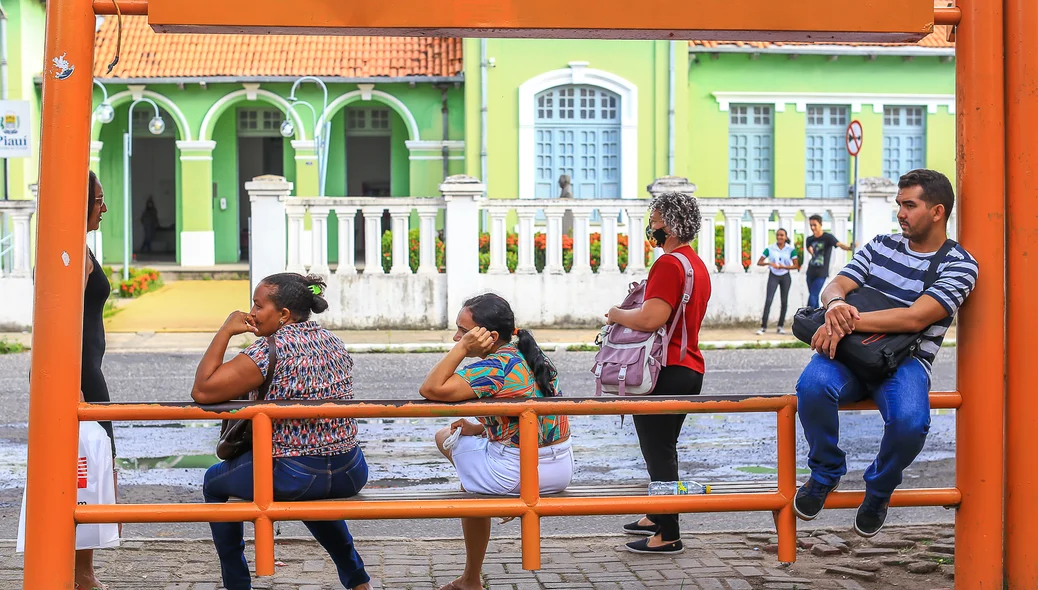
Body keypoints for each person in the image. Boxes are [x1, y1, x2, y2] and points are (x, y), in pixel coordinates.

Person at [794, 169, 978, 537]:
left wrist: (847, 318)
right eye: (899, 204)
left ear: (937, 211)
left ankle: (879, 489)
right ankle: (826, 471)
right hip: (849, 354)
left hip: (906, 362)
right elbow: (836, 286)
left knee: (911, 422)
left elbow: (914, 318)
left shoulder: (959, 265)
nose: (901, 213)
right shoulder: (880, 245)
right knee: (811, 386)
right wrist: (832, 307)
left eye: (910, 205)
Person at [191, 273, 373, 590]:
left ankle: (237, 585)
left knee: (213, 482)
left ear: (284, 315)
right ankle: (358, 581)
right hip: (351, 470)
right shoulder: (333, 341)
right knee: (315, 498)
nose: (251, 312)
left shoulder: (269, 351)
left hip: (296, 475)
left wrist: (225, 331)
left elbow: (204, 390)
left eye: (258, 306)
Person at [419, 293, 572, 590]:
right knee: (471, 475)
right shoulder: (530, 354)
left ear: (488, 336)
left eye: (463, 332)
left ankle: (472, 576)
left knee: (444, 437)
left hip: (518, 474)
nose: (456, 336)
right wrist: (480, 428)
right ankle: (470, 576)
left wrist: (462, 349)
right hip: (560, 469)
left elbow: (431, 388)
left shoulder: (495, 366)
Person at [605, 191, 712, 555]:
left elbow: (652, 318)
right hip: (688, 366)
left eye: (655, 220)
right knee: (663, 448)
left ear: (670, 224)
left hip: (663, 369)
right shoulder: (695, 263)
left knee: (658, 450)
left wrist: (616, 314)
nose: (651, 226)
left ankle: (668, 533)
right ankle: (656, 512)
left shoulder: (668, 265)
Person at [75, 170, 115, 590]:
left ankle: (83, 572)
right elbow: (62, 321)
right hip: (79, 373)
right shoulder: (66, 250)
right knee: (81, 471)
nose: (103, 208)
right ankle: (80, 575)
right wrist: (73, 382)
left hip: (89, 370)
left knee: (92, 467)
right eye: (98, 200)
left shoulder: (79, 246)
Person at [755, 228, 799, 335]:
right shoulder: (770, 248)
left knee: (784, 301)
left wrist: (785, 267)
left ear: (785, 237)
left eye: (782, 235)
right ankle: (763, 326)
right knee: (769, 300)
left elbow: (796, 265)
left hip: (785, 276)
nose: (779, 237)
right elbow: (759, 262)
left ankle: (780, 326)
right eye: (778, 235)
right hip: (773, 275)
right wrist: (769, 264)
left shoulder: (790, 249)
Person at [804, 214, 853, 308]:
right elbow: (809, 249)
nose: (812, 227)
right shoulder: (809, 239)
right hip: (810, 272)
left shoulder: (828, 237)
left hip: (821, 273)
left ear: (821, 224)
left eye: (815, 225)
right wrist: (811, 250)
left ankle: (808, 318)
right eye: (811, 225)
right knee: (813, 296)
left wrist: (849, 248)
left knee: (812, 297)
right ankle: (815, 320)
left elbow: (839, 244)